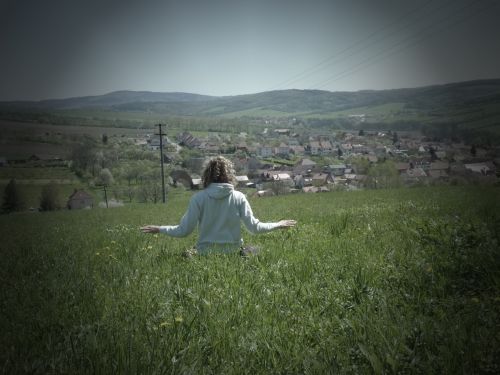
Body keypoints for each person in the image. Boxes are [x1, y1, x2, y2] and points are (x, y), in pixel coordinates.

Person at [140, 156, 296, 255]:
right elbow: (254, 228)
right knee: (257, 251)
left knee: (187, 254)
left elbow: (183, 231)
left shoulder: (198, 199)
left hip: (204, 254)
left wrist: (159, 229)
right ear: (230, 175)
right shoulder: (239, 197)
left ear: (206, 175)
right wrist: (278, 224)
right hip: (234, 254)